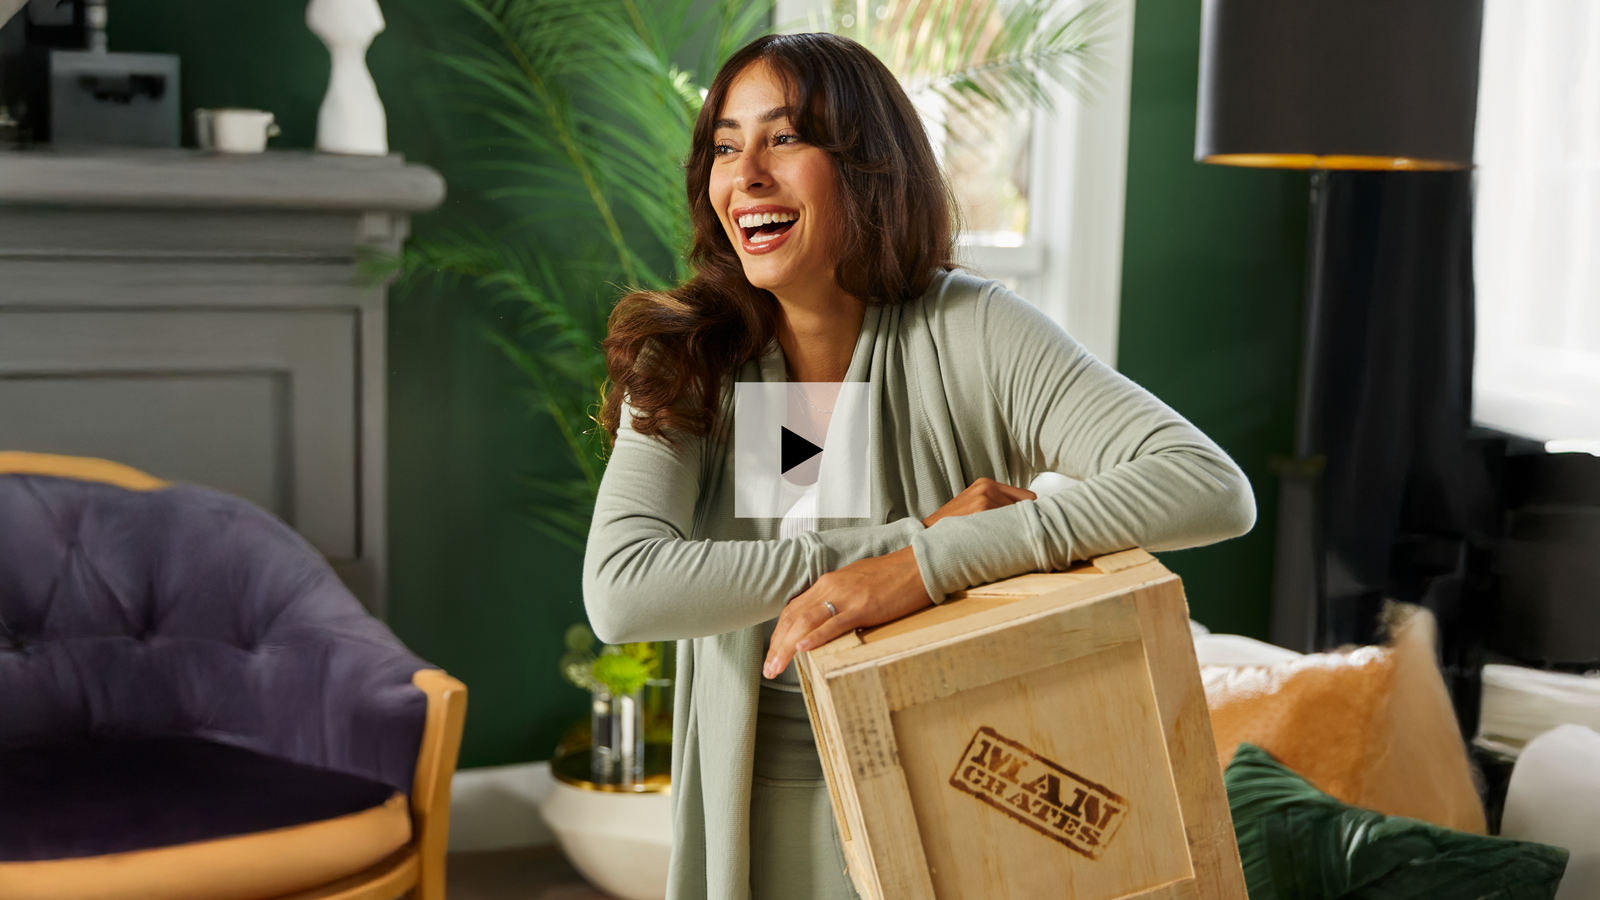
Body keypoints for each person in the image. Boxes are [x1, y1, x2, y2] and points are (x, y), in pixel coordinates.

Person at [583, 32, 1255, 900]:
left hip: (952, 787)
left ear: (867, 165)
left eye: (783, 137)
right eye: (723, 144)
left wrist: (925, 568)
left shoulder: (972, 327)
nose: (743, 174)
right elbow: (623, 587)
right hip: (763, 804)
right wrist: (895, 551)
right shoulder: (691, 355)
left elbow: (1207, 485)